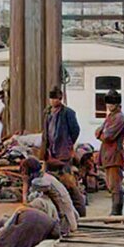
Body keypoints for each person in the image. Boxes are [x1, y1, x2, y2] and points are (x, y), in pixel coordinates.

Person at [40, 86, 85, 216]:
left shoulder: (68, 113)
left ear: (61, 99)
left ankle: (78, 210)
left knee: (69, 183)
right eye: (52, 98)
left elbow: (75, 130)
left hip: (63, 153)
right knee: (51, 182)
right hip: (50, 153)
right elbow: (45, 133)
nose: (54, 101)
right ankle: (58, 210)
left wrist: (68, 144)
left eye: (57, 99)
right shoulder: (47, 112)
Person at [24, 156, 79, 236]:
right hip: (70, 219)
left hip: (65, 225)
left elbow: (28, 200)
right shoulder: (47, 177)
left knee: (38, 202)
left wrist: (25, 183)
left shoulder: (41, 181)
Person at [94, 90, 124, 216]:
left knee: (115, 185)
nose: (109, 106)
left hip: (114, 155)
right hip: (108, 155)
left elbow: (107, 136)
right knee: (110, 184)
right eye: (108, 103)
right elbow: (98, 131)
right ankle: (114, 211)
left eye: (111, 103)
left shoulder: (119, 118)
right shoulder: (110, 116)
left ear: (117, 103)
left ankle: (116, 212)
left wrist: (100, 134)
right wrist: (100, 133)